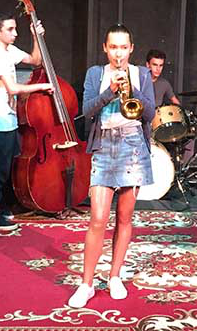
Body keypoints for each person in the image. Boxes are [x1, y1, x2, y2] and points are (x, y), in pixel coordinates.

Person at [67, 24, 156, 308]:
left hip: (133, 146)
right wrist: (110, 90)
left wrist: (132, 87)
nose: (119, 53)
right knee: (98, 218)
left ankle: (115, 276)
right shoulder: (95, 74)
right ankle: (86, 284)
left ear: (131, 49)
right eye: (113, 47)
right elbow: (86, 111)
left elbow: (150, 113)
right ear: (105, 48)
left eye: (123, 47)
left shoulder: (142, 74)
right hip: (104, 145)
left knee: (125, 218)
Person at [0, 13, 53, 231]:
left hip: (10, 117)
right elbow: (12, 89)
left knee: (6, 167)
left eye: (15, 29)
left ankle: (0, 207)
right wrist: (41, 86)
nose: (15, 33)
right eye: (10, 29)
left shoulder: (9, 50)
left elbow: (36, 61)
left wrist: (36, 36)